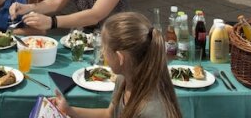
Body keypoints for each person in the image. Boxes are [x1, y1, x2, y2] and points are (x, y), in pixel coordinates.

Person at [52, 12, 182, 118]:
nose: (102, 53)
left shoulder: (151, 111)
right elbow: (109, 114)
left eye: (105, 49)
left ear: (120, 58)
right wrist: (69, 110)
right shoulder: (124, 78)